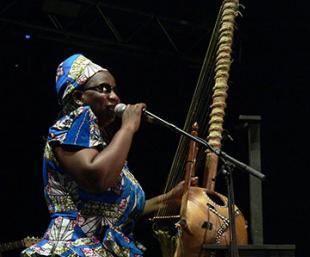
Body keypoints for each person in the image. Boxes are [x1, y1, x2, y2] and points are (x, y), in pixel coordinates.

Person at [21, 53, 196, 257]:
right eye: (104, 89)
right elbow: (96, 178)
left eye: (113, 89)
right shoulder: (72, 123)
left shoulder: (101, 144)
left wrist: (167, 200)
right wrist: (128, 128)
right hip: (75, 248)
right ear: (78, 97)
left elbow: (116, 210)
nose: (114, 96)